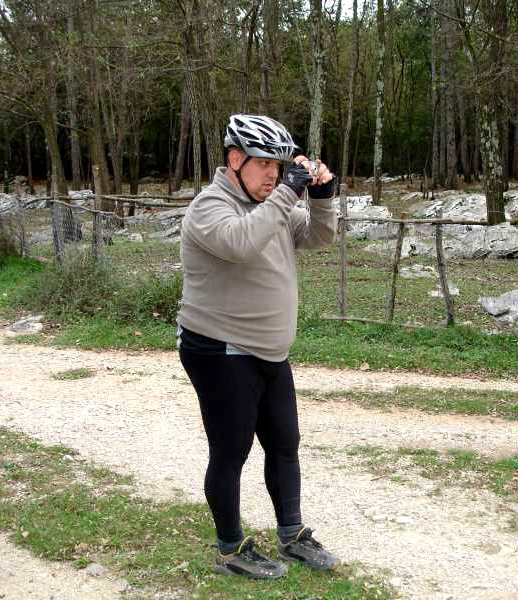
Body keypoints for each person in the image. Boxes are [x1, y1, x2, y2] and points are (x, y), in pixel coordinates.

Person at [176, 114, 339, 579]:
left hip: (270, 350)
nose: (273, 174)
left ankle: (292, 534)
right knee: (231, 451)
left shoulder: (272, 203)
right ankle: (230, 549)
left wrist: (322, 196)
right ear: (235, 160)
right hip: (220, 348)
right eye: (264, 163)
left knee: (285, 443)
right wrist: (288, 191)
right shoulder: (208, 208)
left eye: (279, 165)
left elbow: (319, 236)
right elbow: (242, 242)